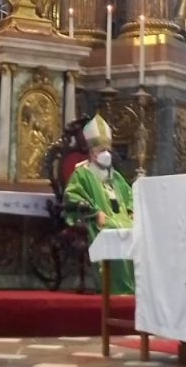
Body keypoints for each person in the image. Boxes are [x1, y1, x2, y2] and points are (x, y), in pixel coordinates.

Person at [63, 114, 134, 294]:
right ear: (92, 151)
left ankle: (136, 287)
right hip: (98, 219)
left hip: (123, 218)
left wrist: (131, 211)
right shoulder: (82, 174)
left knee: (137, 233)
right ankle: (116, 288)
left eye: (108, 149)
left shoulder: (115, 176)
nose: (106, 154)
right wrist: (95, 213)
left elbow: (129, 195)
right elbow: (72, 196)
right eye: (101, 149)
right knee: (114, 231)